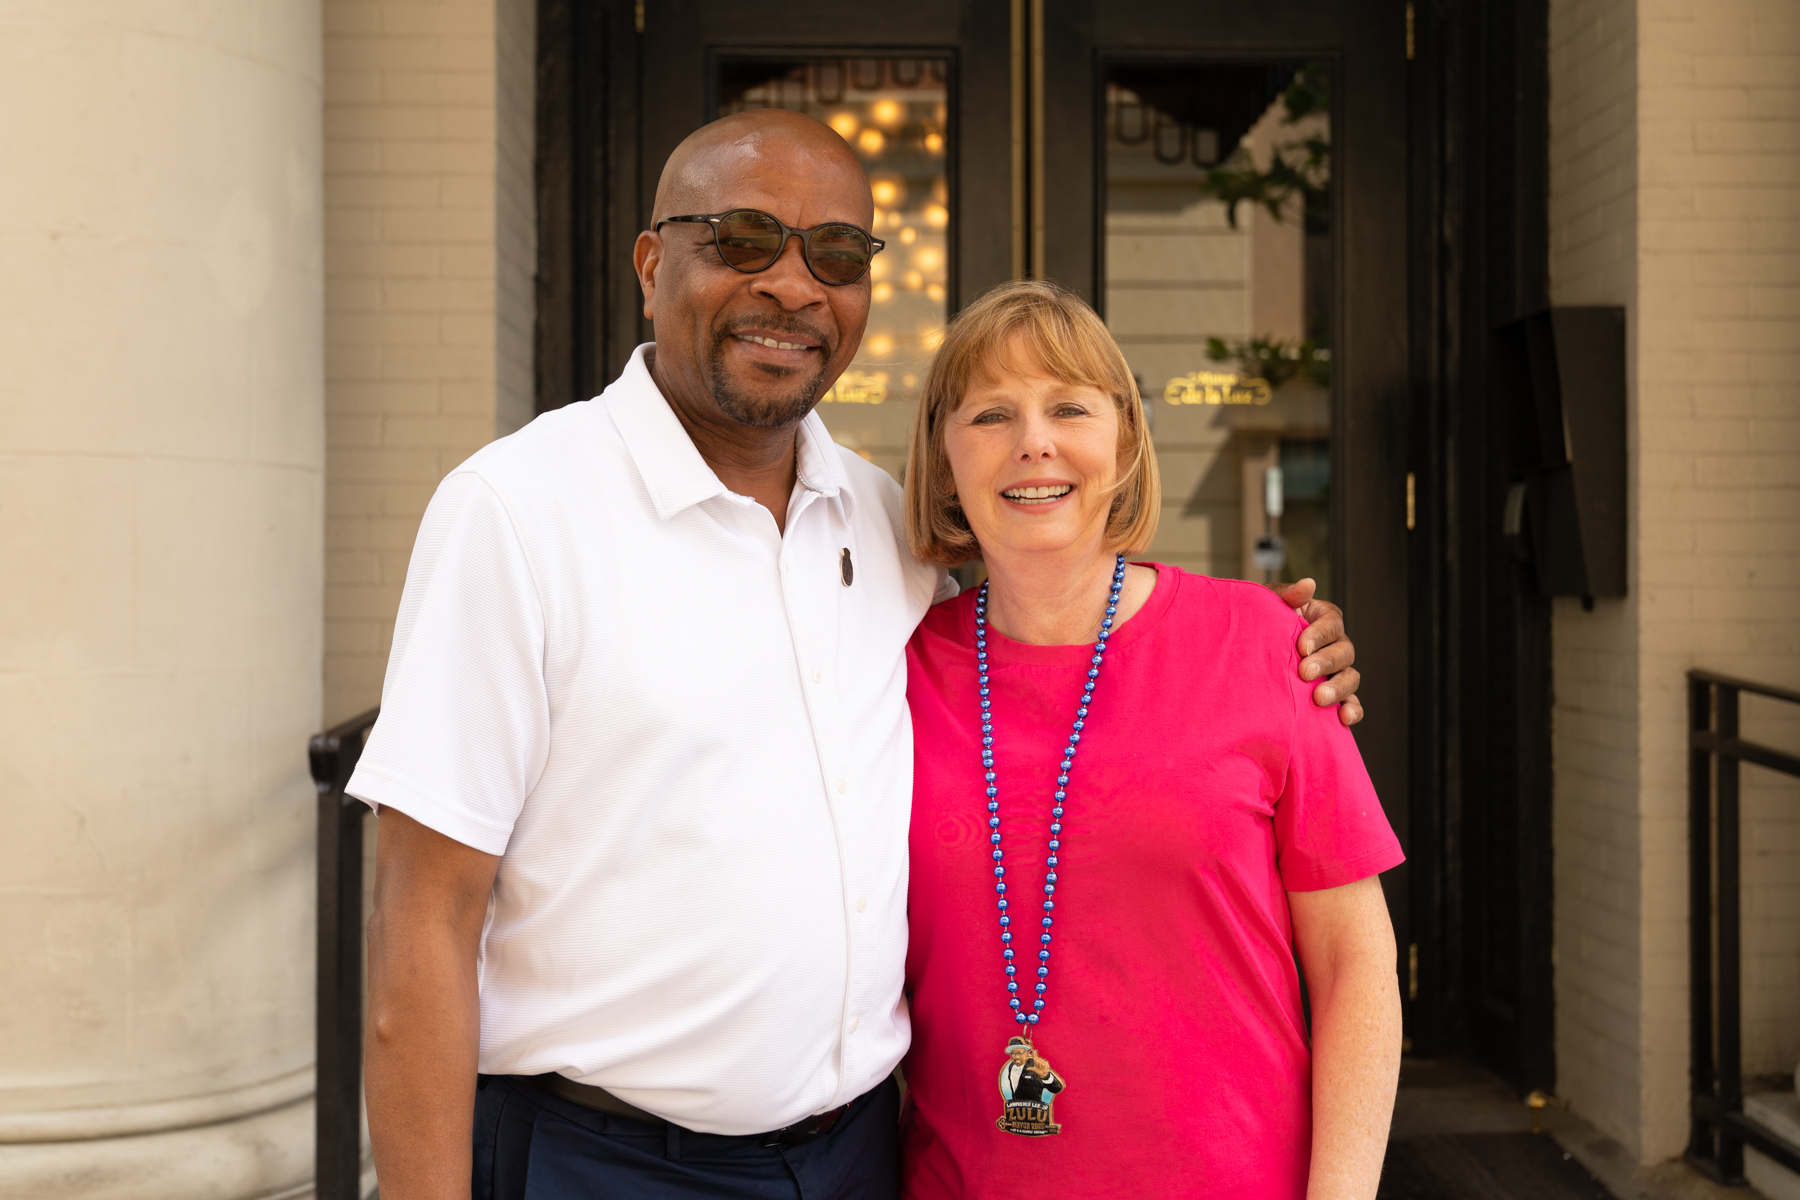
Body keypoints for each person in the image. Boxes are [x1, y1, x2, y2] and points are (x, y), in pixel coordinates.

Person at [350, 109, 1365, 1200]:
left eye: (834, 253)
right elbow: (423, 919)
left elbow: (1065, 603)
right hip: (603, 1159)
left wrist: (1277, 648)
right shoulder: (517, 511)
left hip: (862, 1158)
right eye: (744, 238)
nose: (792, 286)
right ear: (652, 266)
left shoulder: (882, 530)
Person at [899, 280, 1403, 1199]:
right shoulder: (888, 673)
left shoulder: (1267, 645)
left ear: (1125, 444)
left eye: (1070, 408)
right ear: (942, 457)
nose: (1033, 442)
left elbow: (1354, 964)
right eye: (990, 414)